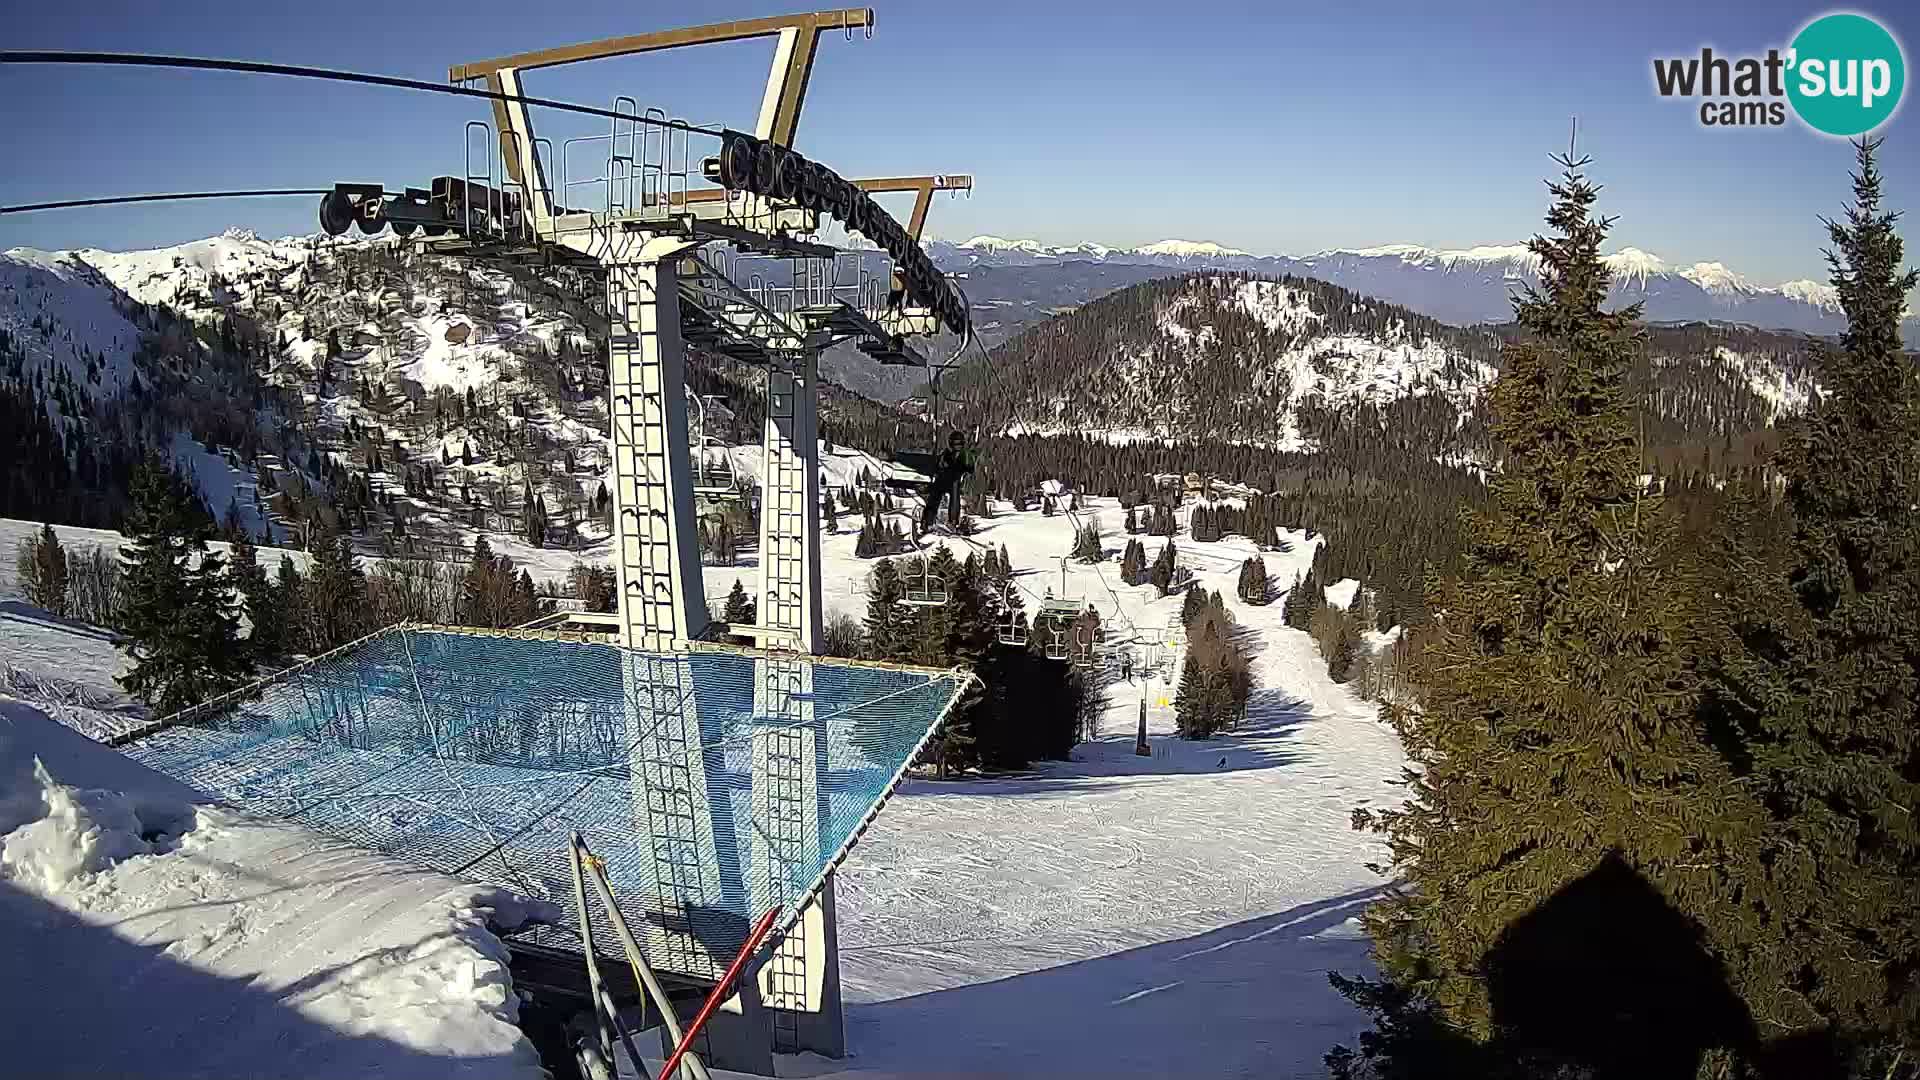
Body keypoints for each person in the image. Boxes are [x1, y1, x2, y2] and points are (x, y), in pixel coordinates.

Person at [918, 431, 976, 537]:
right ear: (951, 444)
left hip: (954, 481)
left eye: (959, 444)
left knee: (955, 494)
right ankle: (927, 521)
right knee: (935, 495)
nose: (957, 446)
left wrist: (964, 470)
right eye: (955, 444)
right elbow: (937, 466)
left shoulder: (965, 455)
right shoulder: (945, 454)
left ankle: (953, 521)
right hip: (943, 480)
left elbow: (970, 468)